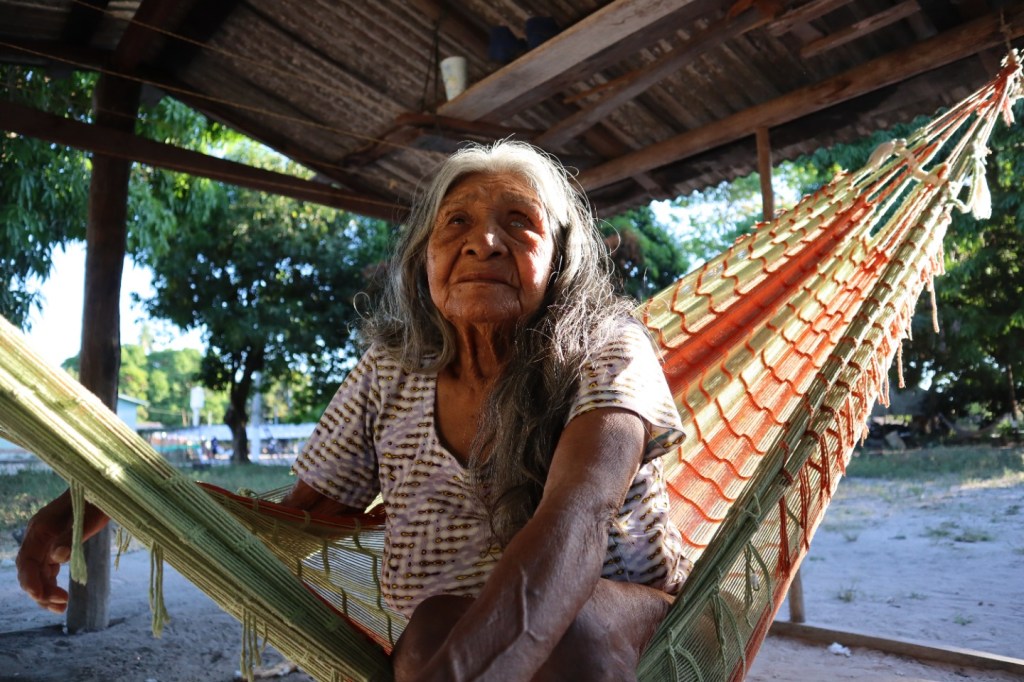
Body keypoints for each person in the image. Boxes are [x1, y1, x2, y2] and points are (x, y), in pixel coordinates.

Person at [18, 141, 690, 681]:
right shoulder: (391, 373)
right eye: (456, 222)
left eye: (520, 223)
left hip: (625, 624)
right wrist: (121, 495)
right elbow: (303, 517)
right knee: (428, 632)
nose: (484, 242)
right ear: (422, 260)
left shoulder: (606, 347)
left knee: (561, 636)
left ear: (560, 259)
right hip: (455, 641)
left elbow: (580, 516)